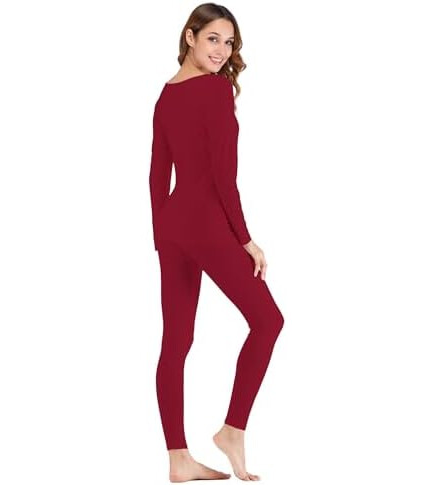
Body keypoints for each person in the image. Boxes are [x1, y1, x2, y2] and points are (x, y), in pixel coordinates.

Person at [149, 3, 284, 482]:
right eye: (213, 39)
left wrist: (160, 234)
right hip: (206, 225)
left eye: (229, 43)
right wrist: (245, 239)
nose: (222, 51)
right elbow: (224, 178)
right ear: (190, 36)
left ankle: (178, 458)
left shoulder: (166, 95)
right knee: (268, 320)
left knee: (176, 341)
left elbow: (157, 174)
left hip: (173, 226)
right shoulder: (216, 89)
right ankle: (232, 429)